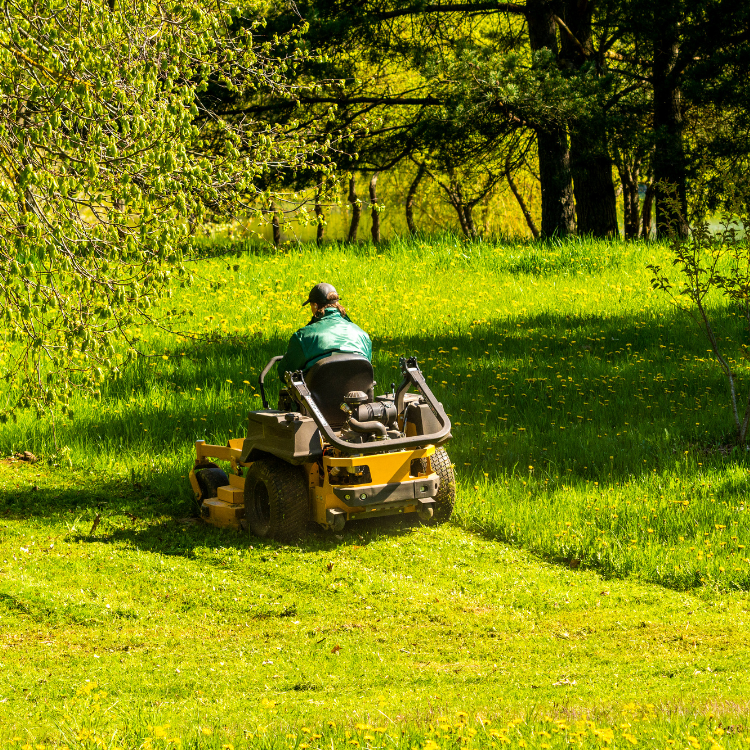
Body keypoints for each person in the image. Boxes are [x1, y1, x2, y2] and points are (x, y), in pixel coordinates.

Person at [276, 283, 372, 382]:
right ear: (337, 304)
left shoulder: (303, 336)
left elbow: (286, 373)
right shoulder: (362, 335)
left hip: (316, 396)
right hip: (357, 394)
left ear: (315, 305)